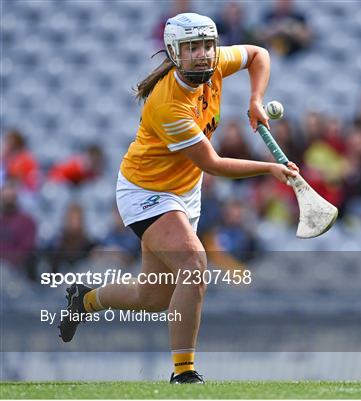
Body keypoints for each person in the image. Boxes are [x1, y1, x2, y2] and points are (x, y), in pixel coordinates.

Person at [58, 13, 298, 384]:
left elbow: (258, 54)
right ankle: (184, 374)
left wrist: (255, 98)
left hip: (186, 193)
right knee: (194, 264)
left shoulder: (215, 63)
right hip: (146, 192)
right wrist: (269, 169)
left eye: (206, 45)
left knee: (152, 298)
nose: (202, 55)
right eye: (192, 48)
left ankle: (84, 300)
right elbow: (213, 164)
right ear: (174, 52)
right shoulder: (168, 105)